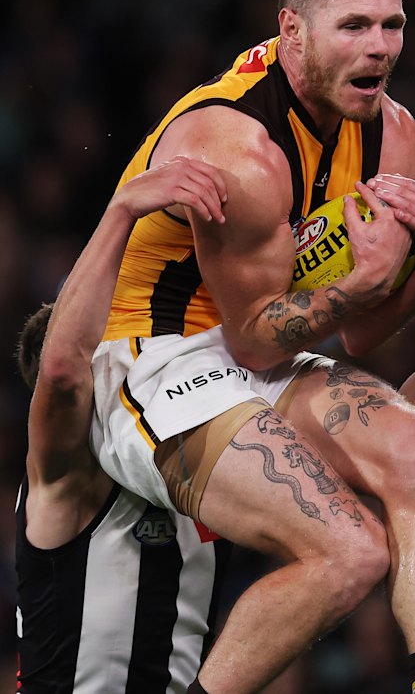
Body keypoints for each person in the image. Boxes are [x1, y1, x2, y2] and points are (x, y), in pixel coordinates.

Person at [88, 0, 415, 694]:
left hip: (263, 350)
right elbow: (248, 339)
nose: (378, 49)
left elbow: (361, 333)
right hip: (152, 358)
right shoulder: (239, 147)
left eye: (392, 25)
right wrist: (358, 282)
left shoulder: (392, 132)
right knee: (349, 550)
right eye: (353, 27)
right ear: (291, 31)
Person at [15, 156, 232, 693]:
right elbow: (63, 372)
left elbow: (384, 444)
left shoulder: (215, 444)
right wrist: (124, 208)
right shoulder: (71, 474)